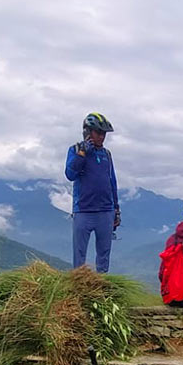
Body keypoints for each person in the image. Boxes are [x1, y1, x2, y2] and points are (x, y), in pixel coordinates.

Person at [64, 112, 120, 273]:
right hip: (83, 210)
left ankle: (101, 287)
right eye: (99, 132)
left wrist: (116, 209)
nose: (102, 137)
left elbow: (112, 182)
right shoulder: (75, 150)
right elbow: (70, 174)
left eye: (104, 134)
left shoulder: (106, 154)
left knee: (104, 255)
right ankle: (78, 285)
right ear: (88, 132)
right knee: (79, 255)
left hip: (105, 210)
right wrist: (82, 154)